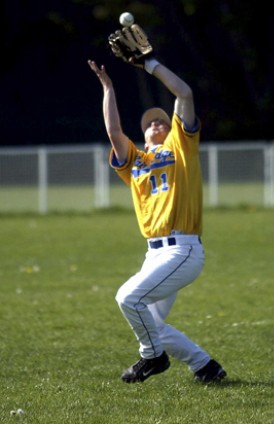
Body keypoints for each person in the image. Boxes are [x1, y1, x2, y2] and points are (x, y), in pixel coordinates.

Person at [87, 54, 227, 384]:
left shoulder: (181, 146)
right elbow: (113, 129)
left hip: (183, 250)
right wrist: (108, 87)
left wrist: (149, 64)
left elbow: (185, 94)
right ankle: (206, 367)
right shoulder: (135, 161)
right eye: (150, 123)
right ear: (143, 134)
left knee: (127, 298)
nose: (157, 124)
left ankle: (152, 359)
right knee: (149, 321)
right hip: (155, 253)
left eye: (162, 121)